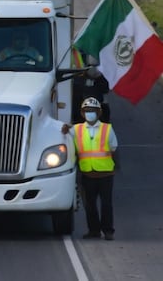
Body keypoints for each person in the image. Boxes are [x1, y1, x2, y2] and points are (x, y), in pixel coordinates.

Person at [62, 97, 118, 240]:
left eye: (93, 111)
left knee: (106, 204)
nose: (90, 113)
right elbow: (64, 132)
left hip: (105, 174)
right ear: (82, 113)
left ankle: (108, 231)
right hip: (87, 174)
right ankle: (94, 231)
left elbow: (113, 148)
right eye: (87, 111)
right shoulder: (76, 129)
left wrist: (114, 166)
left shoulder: (107, 129)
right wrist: (65, 128)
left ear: (99, 113)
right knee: (90, 205)